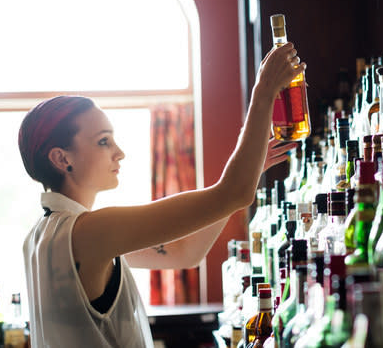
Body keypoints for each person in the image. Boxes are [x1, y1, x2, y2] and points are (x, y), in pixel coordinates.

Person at [19, 42, 305, 347]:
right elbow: (233, 192)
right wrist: (264, 90)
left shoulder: (44, 236)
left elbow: (186, 252)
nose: (120, 153)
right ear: (62, 159)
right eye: (103, 142)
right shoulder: (89, 231)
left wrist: (250, 167)